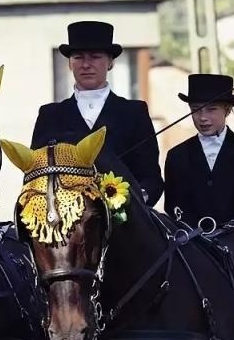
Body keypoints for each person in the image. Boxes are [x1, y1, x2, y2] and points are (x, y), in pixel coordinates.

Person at [31, 21, 164, 206]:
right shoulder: (49, 115)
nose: (86, 64)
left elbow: (151, 178)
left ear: (110, 62)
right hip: (65, 222)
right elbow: (36, 175)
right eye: (78, 57)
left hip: (124, 223)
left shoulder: (134, 112)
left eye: (95, 57)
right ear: (70, 63)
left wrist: (132, 203)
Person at [162, 73, 234, 231]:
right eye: (196, 110)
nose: (203, 117)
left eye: (211, 110)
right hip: (192, 245)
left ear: (227, 110)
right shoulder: (177, 156)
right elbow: (173, 206)